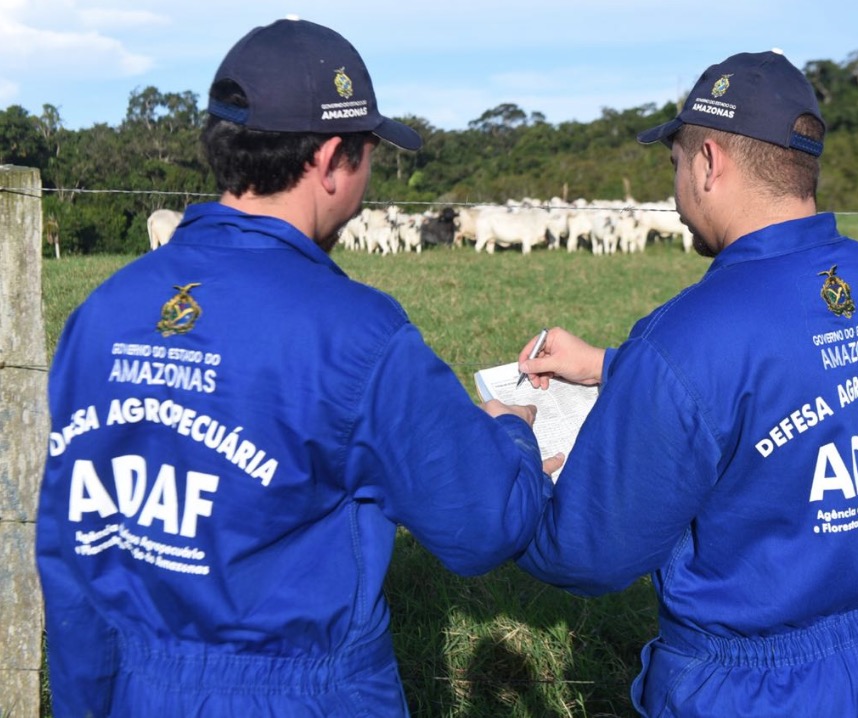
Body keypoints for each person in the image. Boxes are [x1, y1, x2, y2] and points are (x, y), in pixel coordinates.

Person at [36, 18, 555, 717]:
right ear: (334, 159)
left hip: (122, 687)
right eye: (370, 155)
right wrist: (511, 432)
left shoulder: (101, 313)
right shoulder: (357, 333)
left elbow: (67, 553)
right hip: (295, 694)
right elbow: (483, 524)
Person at [516, 51, 858, 717]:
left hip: (752, 688)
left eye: (675, 163)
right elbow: (786, 374)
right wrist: (611, 365)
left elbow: (586, 555)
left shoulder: (689, 335)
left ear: (708, 163)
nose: (676, 188)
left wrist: (511, 455)